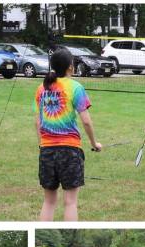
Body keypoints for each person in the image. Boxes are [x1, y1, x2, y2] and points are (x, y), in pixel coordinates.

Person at [35, 47, 102, 221]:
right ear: (70, 67)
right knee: (70, 202)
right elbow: (86, 121)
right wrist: (95, 144)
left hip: (47, 150)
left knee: (49, 202)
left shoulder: (41, 88)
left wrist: (41, 144)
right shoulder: (76, 87)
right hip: (69, 151)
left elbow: (37, 121)